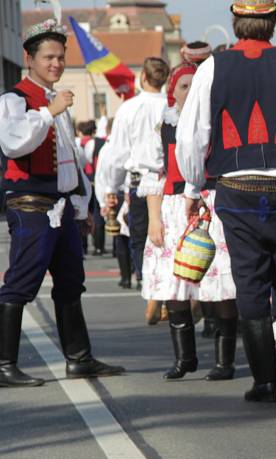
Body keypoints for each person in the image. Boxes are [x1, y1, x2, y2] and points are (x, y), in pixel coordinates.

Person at [177, 0, 276, 403]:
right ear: (271, 23)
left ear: (235, 23)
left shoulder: (211, 68)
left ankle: (264, 382)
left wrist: (192, 188)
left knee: (250, 280)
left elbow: (193, 135)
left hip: (237, 189)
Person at [0, 18, 124, 386]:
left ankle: (79, 358)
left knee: (71, 282)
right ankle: (4, 364)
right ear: (30, 59)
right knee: (21, 282)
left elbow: (71, 159)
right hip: (31, 204)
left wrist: (82, 207)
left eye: (60, 57)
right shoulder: (14, 100)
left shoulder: (57, 102)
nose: (56, 63)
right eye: (49, 57)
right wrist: (47, 113)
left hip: (63, 206)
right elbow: (14, 143)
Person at [141, 63, 239, 381]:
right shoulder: (163, 127)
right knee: (175, 285)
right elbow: (154, 177)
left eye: (195, 85)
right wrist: (154, 220)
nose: (190, 91)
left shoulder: (217, 123)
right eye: (183, 86)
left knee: (220, 286)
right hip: (174, 208)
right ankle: (185, 359)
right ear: (173, 91)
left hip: (212, 207)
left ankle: (225, 362)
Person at [102, 57, 170, 324]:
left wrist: (110, 187)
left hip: (140, 181)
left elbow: (117, 153)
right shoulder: (170, 105)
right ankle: (165, 291)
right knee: (170, 236)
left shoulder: (130, 108)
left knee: (141, 239)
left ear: (143, 77)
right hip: (169, 180)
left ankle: (153, 289)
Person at [77, 119, 108, 256]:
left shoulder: (77, 143)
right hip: (96, 181)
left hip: (82, 182)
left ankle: (82, 247)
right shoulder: (100, 143)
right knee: (96, 214)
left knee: (81, 212)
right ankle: (99, 246)